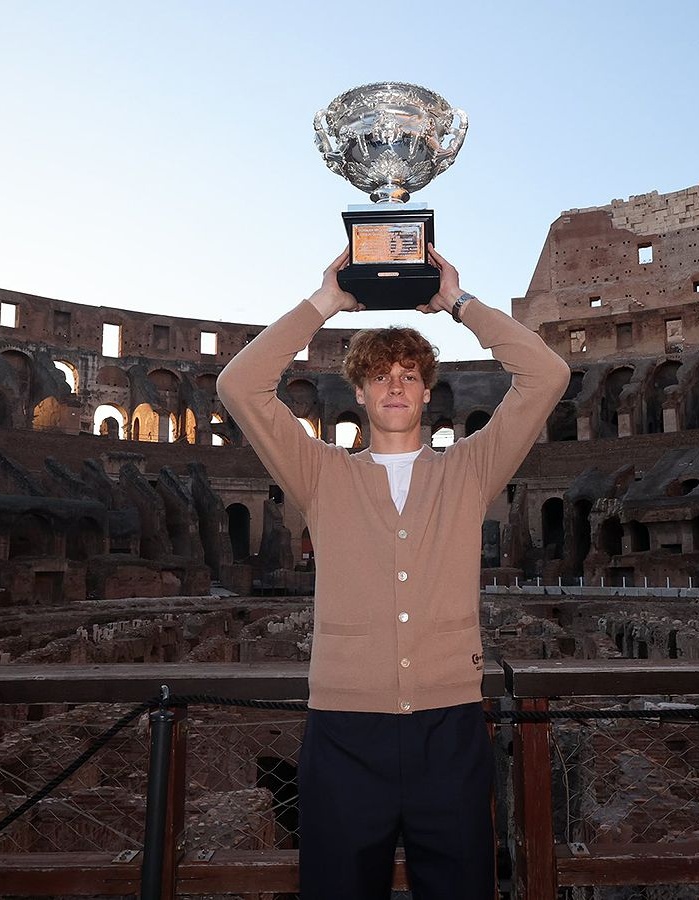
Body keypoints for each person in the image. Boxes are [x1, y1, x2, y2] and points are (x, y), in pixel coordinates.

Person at [216, 245, 570, 900]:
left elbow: (545, 375)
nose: (397, 385)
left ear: (428, 391)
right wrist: (327, 300)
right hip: (345, 730)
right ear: (359, 391)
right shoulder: (320, 472)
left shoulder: (470, 468)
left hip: (450, 727)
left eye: (410, 374)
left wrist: (457, 303)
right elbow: (239, 385)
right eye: (381, 375)